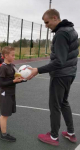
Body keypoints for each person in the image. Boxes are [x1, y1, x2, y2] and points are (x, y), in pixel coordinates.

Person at [27, 9, 78, 146]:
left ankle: (54, 137)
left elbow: (59, 61)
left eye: (47, 22)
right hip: (70, 73)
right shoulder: (71, 30)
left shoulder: (61, 34)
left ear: (55, 18)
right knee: (64, 102)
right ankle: (71, 133)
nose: (46, 25)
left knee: (55, 105)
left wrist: (38, 70)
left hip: (60, 75)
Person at [0, 46, 26, 142]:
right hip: (5, 93)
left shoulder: (12, 66)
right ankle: (4, 135)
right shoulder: (3, 68)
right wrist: (13, 81)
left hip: (11, 92)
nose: (14, 57)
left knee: (6, 112)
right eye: (12, 55)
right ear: (6, 56)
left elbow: (16, 79)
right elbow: (0, 84)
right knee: (5, 114)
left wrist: (23, 79)